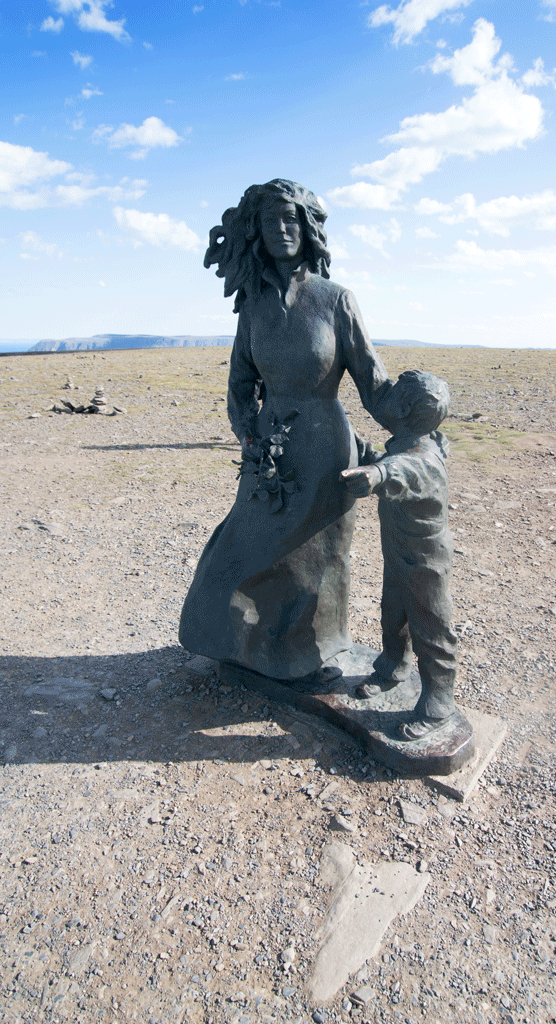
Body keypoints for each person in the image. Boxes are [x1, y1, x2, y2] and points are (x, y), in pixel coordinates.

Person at [179, 179, 392, 684]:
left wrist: (416, 418)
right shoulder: (252, 305)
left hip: (324, 446)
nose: (282, 229)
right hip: (268, 450)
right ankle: (245, 647)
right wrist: (249, 435)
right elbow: (240, 381)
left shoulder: (336, 299)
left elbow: (373, 381)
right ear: (257, 232)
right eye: (271, 220)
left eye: (291, 218)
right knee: (243, 547)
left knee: (311, 563)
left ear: (308, 227)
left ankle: (306, 657)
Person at [340, 370, 458, 740]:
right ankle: (393, 667)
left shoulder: (421, 459)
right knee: (393, 615)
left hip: (426, 563)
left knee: (432, 628)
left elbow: (400, 471)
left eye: (392, 394)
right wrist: (357, 445)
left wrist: (375, 473)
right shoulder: (410, 443)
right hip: (399, 554)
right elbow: (391, 462)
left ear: (404, 408)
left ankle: (439, 703)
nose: (384, 396)